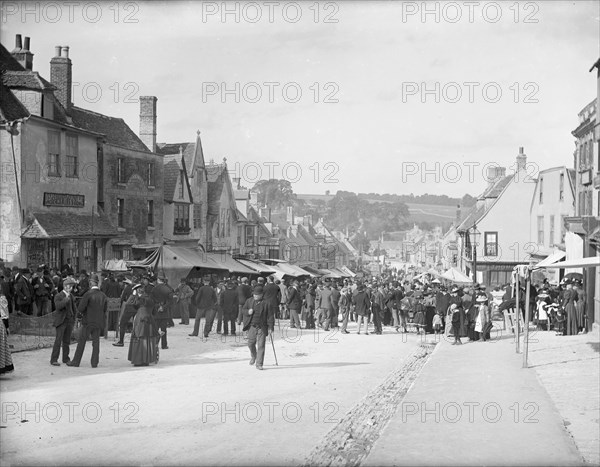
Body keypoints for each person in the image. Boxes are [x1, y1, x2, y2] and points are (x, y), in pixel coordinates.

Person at [67, 274, 107, 368]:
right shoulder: (103, 295)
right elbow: (105, 309)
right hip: (98, 322)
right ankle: (94, 363)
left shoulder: (88, 294)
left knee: (82, 342)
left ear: (91, 283)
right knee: (96, 343)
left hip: (88, 321)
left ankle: (76, 362)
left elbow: (81, 308)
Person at [242, 286, 275, 370]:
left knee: (261, 345)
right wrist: (248, 312)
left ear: (262, 295)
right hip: (252, 326)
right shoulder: (249, 301)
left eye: (257, 295)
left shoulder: (267, 303)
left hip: (262, 327)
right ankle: (254, 356)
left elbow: (270, 316)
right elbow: (243, 310)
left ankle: (259, 364)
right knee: (251, 343)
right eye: (254, 294)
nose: (255, 296)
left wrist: (271, 327)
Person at [128, 287, 159, 366]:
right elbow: (155, 311)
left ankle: (138, 360)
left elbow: (129, 304)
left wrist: (133, 295)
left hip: (140, 319)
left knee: (138, 338)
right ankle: (146, 360)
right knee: (147, 339)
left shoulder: (139, 299)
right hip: (149, 320)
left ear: (138, 291)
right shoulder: (150, 299)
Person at [50, 277, 77, 366]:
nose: (71, 288)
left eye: (72, 286)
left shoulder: (71, 296)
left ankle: (66, 359)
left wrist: (74, 318)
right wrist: (66, 299)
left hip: (69, 321)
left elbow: (74, 308)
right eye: (70, 286)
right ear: (65, 286)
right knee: (58, 340)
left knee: (66, 341)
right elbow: (58, 306)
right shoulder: (58, 296)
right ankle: (54, 359)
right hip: (61, 321)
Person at [113, 279, 141, 347]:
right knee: (137, 324)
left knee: (122, 324)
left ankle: (121, 341)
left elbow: (123, 299)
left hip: (129, 309)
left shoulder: (128, 288)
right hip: (136, 309)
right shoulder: (138, 290)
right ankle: (137, 340)